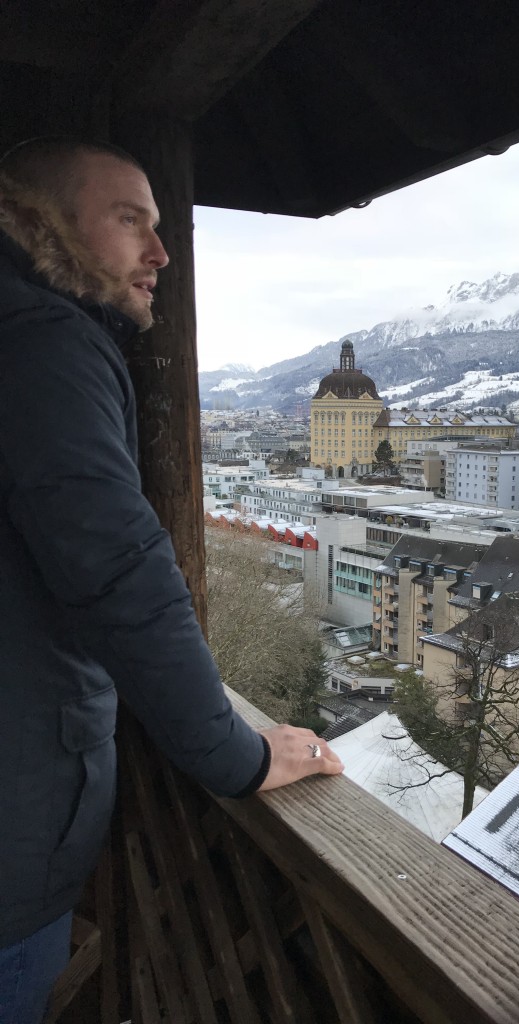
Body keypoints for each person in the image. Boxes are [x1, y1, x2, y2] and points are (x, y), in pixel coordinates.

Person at [0, 137, 344, 1024]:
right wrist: (238, 754)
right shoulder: (42, 343)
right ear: (44, 224)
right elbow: (122, 569)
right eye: (131, 222)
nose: (161, 254)